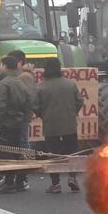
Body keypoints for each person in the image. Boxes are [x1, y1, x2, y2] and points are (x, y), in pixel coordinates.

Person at [35, 58, 83, 193]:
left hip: (51, 126)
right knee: (72, 153)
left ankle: (55, 184)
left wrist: (43, 115)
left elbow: (35, 105)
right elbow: (80, 101)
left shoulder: (41, 86)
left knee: (53, 154)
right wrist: (72, 113)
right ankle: (72, 178)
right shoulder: (70, 84)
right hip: (69, 124)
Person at [0, 55, 34, 193]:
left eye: (1, 65)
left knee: (5, 151)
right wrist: (25, 119)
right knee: (18, 151)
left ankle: (9, 181)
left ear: (4, 66)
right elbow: (29, 103)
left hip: (6, 123)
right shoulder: (20, 81)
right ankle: (20, 181)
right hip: (18, 121)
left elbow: (1, 105)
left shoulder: (4, 83)